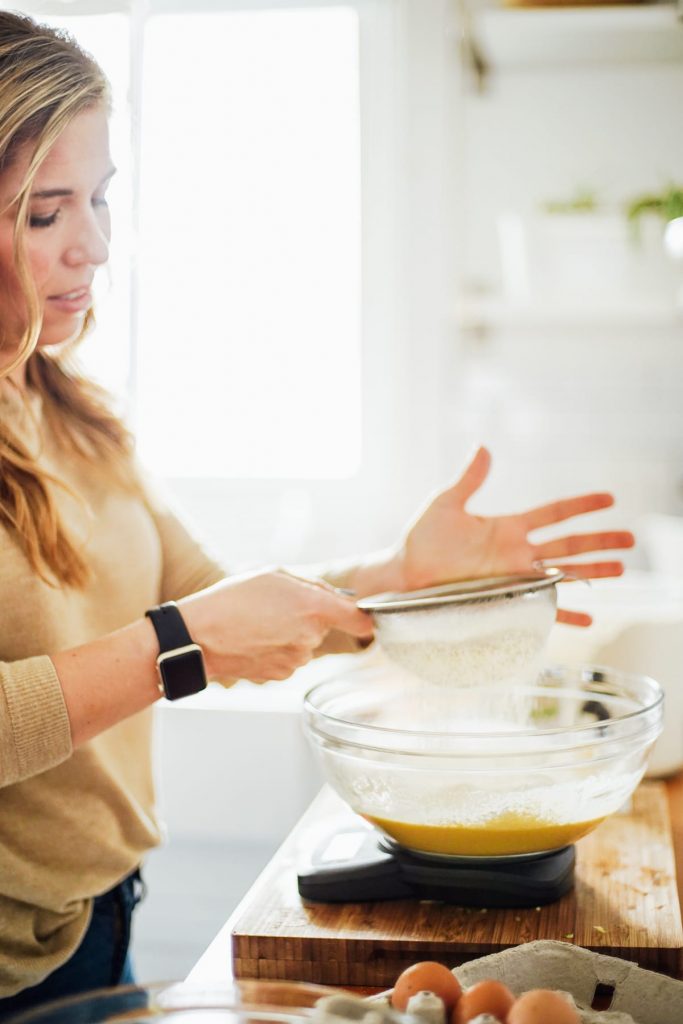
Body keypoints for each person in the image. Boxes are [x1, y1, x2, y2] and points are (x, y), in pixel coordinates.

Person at [0, 11, 634, 1015]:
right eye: (43, 213)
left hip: (96, 921)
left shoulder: (69, 408)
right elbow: (189, 631)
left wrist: (396, 578)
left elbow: (205, 600)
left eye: (102, 199)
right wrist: (183, 644)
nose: (94, 247)